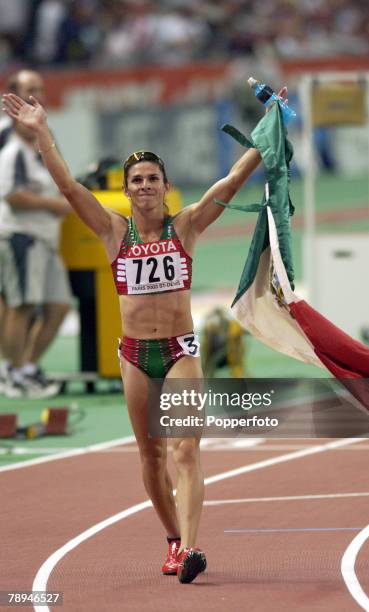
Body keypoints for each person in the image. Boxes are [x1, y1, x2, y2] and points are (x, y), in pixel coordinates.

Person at [2, 84, 287, 582]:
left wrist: (271, 125)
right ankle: (174, 540)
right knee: (150, 455)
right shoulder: (114, 231)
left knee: (184, 449)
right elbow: (69, 187)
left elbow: (235, 176)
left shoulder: (189, 225)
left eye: (154, 178)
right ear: (128, 189)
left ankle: (194, 549)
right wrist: (43, 132)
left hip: (180, 351)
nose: (146, 186)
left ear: (166, 185)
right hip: (134, 355)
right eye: (138, 180)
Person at [0, 70, 72, 398]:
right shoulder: (10, 145)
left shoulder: (40, 139)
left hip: (45, 237)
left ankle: (27, 367)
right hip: (21, 235)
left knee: (58, 305)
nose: (37, 94)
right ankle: (11, 372)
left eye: (41, 88)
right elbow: (12, 194)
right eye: (30, 89)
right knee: (21, 304)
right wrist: (55, 205)